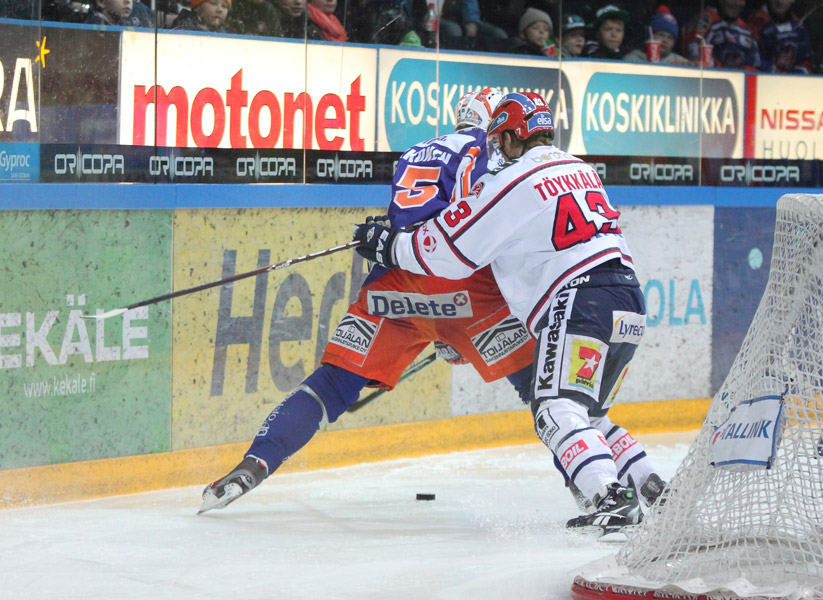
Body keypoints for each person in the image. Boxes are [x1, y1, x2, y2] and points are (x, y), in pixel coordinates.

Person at [198, 88, 538, 515]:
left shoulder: (415, 151)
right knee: (541, 384)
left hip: (394, 284)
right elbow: (479, 226)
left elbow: (406, 219)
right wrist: (459, 327)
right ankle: (601, 480)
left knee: (333, 384)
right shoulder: (486, 152)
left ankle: (253, 464)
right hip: (465, 286)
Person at [352, 92, 665, 534]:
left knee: (554, 408)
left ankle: (611, 499)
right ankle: (653, 486)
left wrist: (388, 245)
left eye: (501, 141)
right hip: (627, 301)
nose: (497, 151)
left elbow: (448, 249)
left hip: (580, 302)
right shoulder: (581, 170)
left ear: (517, 135)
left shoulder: (515, 179)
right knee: (588, 413)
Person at [683, 0, 760, 70]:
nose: (736, 3)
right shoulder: (706, 19)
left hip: (740, 81)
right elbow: (693, 55)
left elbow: (755, 66)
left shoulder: (745, 29)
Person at [746, 0, 813, 74]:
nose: (780, 2)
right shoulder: (754, 23)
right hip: (764, 79)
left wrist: (799, 73)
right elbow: (750, 60)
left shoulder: (800, 25)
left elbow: (807, 60)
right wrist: (770, 69)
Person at [625, 5, 692, 65]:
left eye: (670, 37)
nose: (665, 40)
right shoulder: (632, 59)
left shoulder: (681, 63)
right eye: (661, 35)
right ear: (650, 36)